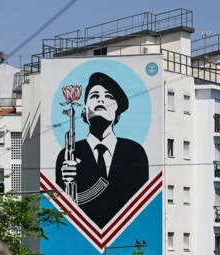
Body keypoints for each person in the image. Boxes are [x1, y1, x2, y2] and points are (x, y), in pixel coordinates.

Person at [56, 71, 150, 228]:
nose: (101, 99)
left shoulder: (134, 152)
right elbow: (57, 208)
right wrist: (65, 182)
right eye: (94, 96)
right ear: (84, 111)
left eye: (109, 97)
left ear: (117, 113)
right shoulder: (67, 155)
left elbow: (141, 200)